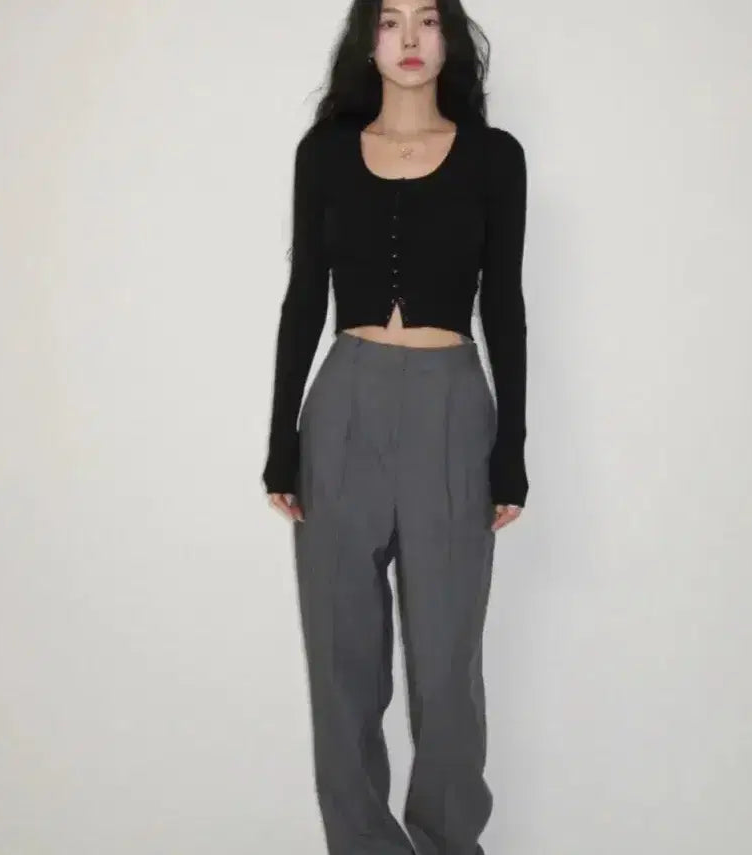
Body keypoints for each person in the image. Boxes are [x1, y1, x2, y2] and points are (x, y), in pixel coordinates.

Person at [262, 1, 528, 852]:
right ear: (366, 42)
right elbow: (304, 297)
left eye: (426, 20)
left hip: (452, 408)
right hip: (343, 405)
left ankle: (449, 841)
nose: (409, 40)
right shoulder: (323, 153)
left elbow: (505, 304)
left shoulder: (494, 156)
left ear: (450, 37)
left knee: (446, 664)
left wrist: (511, 449)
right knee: (341, 659)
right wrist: (281, 443)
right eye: (388, 22)